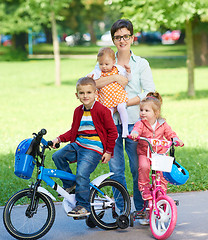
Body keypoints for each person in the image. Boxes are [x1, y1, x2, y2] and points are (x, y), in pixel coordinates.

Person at [95, 19, 155, 212]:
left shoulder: (141, 64)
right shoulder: (105, 60)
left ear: (132, 38)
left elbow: (149, 92)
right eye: (118, 37)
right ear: (113, 40)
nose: (122, 40)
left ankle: (141, 208)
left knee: (139, 168)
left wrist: (125, 103)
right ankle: (122, 210)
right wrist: (113, 77)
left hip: (135, 123)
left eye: (126, 36)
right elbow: (90, 84)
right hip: (110, 124)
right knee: (116, 170)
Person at [51, 77, 118, 217]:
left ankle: (83, 206)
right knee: (57, 156)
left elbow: (113, 132)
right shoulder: (78, 111)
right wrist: (58, 138)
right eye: (81, 93)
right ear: (77, 95)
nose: (85, 96)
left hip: (94, 149)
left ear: (95, 94)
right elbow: (73, 131)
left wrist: (109, 151)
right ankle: (70, 184)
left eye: (89, 92)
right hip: (78, 145)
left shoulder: (102, 110)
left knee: (82, 174)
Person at [130, 92, 184, 224]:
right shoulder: (141, 123)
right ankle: (145, 189)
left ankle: (162, 193)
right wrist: (135, 133)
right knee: (143, 167)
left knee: (162, 173)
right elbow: (136, 129)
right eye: (141, 110)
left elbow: (170, 133)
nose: (143, 113)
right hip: (145, 153)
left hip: (159, 154)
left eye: (146, 110)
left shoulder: (162, 124)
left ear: (156, 112)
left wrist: (175, 139)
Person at [88, 47, 131, 138]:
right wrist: (89, 77)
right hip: (106, 98)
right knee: (107, 115)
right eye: (101, 64)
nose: (104, 66)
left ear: (113, 62)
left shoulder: (118, 69)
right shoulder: (98, 71)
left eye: (107, 64)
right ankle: (111, 132)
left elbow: (127, 79)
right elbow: (89, 80)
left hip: (118, 95)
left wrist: (128, 72)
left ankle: (125, 130)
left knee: (121, 108)